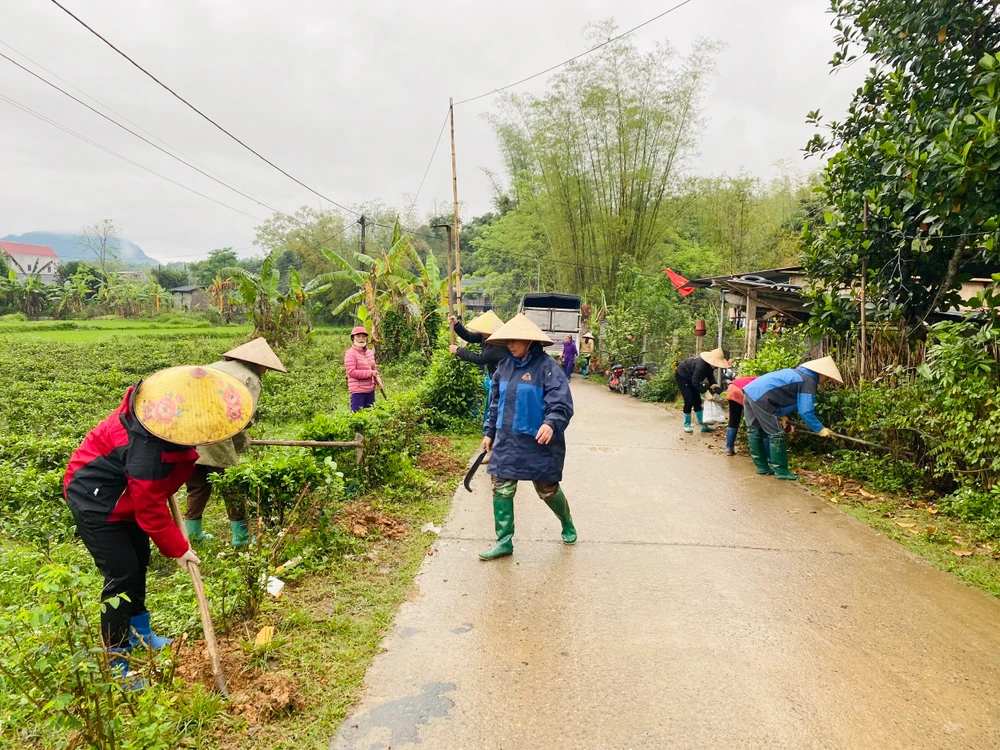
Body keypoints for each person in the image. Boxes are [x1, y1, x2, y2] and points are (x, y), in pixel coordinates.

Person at [64, 365, 254, 681]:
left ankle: (141, 635)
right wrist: (179, 549)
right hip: (96, 501)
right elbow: (149, 507)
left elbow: (151, 493)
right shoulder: (145, 446)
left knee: (139, 563)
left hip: (127, 499)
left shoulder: (172, 430)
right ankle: (117, 660)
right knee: (122, 576)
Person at [479, 314, 576, 561]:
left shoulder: (547, 368)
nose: (511, 345)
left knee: (548, 490)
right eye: (508, 340)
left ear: (530, 342)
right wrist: (489, 432)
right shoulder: (504, 368)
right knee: (501, 488)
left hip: (539, 442)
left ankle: (566, 522)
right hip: (507, 442)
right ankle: (504, 542)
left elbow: (561, 402)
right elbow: (496, 403)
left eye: (516, 340)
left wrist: (551, 423)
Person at [183, 338, 286, 547]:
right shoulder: (250, 378)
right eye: (265, 366)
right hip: (216, 431)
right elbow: (242, 417)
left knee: (197, 484)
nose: (265, 370)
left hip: (187, 429)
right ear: (258, 363)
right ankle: (241, 537)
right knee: (232, 485)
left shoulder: (214, 367)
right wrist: (242, 440)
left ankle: (192, 534)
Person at [742, 356, 843, 480]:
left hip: (750, 392)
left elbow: (779, 393)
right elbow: (805, 411)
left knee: (755, 431)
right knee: (777, 434)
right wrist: (820, 429)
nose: (825, 381)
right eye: (827, 378)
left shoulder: (797, 374)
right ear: (821, 373)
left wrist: (780, 414)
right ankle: (781, 471)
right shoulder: (808, 380)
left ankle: (762, 467)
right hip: (763, 399)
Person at [675, 348, 730, 434]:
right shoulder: (701, 365)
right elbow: (695, 381)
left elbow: (709, 376)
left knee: (697, 401)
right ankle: (687, 424)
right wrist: (705, 391)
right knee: (689, 400)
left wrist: (714, 384)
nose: (716, 367)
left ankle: (703, 425)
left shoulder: (709, 365)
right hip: (683, 376)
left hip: (693, 378)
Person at [345, 326, 382, 412]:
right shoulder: (350, 354)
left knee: (370, 416)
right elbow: (351, 372)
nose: (361, 339)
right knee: (357, 416)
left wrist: (379, 381)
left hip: (370, 391)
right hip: (358, 391)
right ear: (353, 338)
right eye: (358, 336)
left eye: (363, 336)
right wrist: (370, 373)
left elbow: (374, 369)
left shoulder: (369, 353)